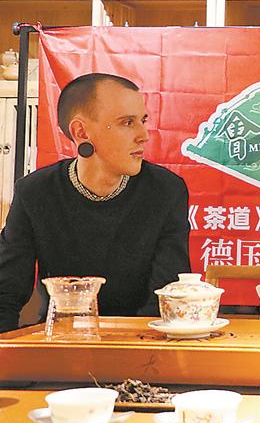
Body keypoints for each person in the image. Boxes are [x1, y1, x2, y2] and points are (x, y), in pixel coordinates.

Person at [0, 73, 190, 332]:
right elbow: (6, 292)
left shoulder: (165, 190)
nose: (143, 135)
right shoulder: (35, 192)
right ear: (81, 132)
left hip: (142, 339)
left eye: (143, 121)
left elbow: (166, 293)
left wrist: (131, 346)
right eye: (127, 122)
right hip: (63, 337)